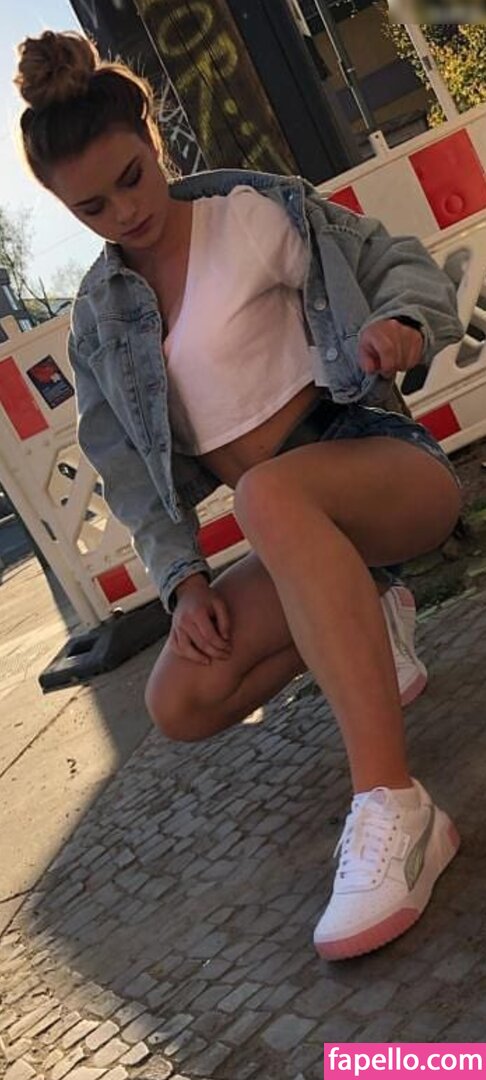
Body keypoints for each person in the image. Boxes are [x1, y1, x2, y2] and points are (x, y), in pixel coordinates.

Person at [15, 30, 464, 961]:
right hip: (296, 529)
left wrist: (402, 323)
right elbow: (128, 472)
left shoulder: (251, 210)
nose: (125, 212)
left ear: (152, 139)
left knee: (264, 496)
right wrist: (184, 584)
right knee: (181, 698)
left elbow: (391, 260)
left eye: (132, 178)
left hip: (381, 468)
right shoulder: (100, 321)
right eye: (92, 207)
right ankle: (366, 606)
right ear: (64, 207)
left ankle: (396, 806)